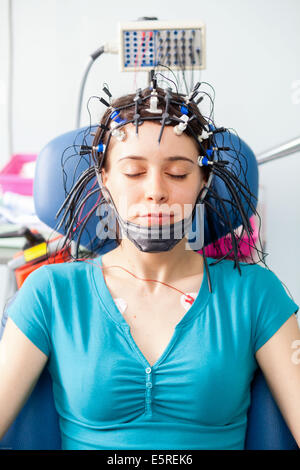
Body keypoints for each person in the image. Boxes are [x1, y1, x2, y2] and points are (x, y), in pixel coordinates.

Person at [0, 78, 300, 450]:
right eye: (133, 172)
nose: (156, 190)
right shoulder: (51, 294)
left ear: (203, 182)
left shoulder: (254, 293)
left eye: (177, 173)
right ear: (104, 179)